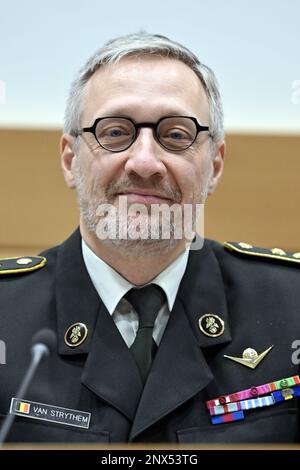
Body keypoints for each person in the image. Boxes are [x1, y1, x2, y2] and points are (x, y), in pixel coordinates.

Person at [0, 32, 300, 444]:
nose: (144, 163)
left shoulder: (291, 304)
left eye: (176, 135)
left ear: (214, 166)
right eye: (115, 132)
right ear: (71, 162)